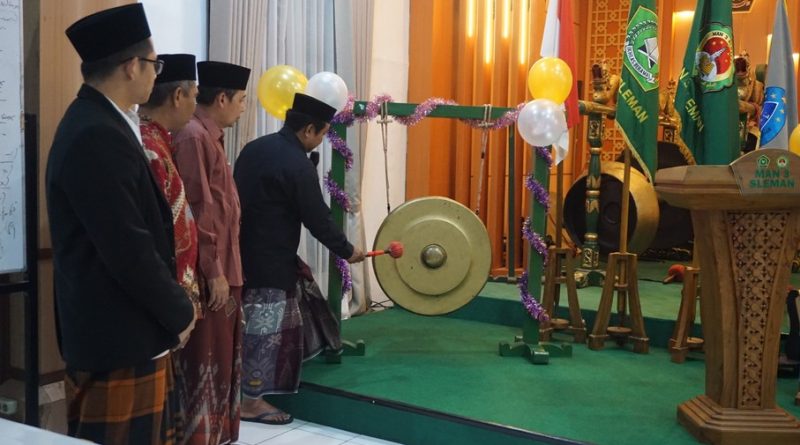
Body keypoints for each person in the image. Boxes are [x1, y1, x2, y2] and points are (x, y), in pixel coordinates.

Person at [46, 5, 196, 444]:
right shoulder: (95, 133)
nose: (155, 74)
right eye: (154, 64)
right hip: (116, 336)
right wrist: (179, 310)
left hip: (129, 330)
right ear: (132, 66)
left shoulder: (105, 121)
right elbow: (128, 248)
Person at [233, 93, 366, 424]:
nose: (321, 140)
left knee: (246, 327)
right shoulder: (296, 164)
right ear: (308, 129)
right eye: (322, 134)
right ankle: (250, 402)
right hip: (270, 260)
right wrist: (348, 250)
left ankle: (238, 393)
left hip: (238, 253)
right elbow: (317, 219)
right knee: (263, 333)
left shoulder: (254, 148)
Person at [171, 60, 250, 445]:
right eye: (242, 100)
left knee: (221, 361)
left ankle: (215, 436)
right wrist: (214, 271)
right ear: (222, 98)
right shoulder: (193, 136)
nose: (244, 108)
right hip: (209, 275)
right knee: (205, 360)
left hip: (226, 271)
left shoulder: (209, 136)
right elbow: (197, 209)